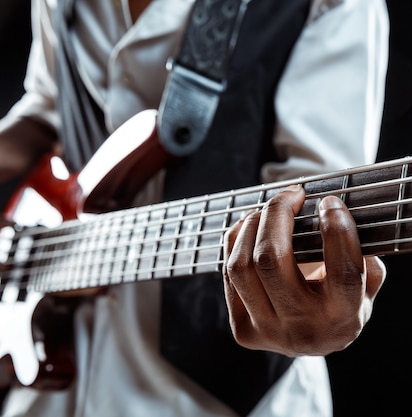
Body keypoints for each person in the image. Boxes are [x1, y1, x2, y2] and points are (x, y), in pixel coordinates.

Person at [0, 0, 389, 416]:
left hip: (210, 395)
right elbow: (50, 104)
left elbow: (314, 209)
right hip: (54, 388)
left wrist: (319, 303)